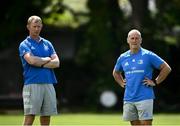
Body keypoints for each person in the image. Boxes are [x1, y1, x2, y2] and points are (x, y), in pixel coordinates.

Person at [112, 29, 171, 126]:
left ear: (140, 40)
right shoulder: (123, 57)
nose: (134, 40)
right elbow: (116, 72)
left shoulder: (148, 55)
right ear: (128, 40)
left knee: (146, 124)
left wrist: (155, 82)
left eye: (137, 38)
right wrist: (122, 83)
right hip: (129, 98)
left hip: (145, 96)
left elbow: (166, 68)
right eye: (132, 38)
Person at [19, 15, 60, 126]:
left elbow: (56, 63)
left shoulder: (47, 43)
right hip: (32, 84)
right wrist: (47, 59)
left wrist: (40, 63)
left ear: (41, 26)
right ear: (28, 27)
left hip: (48, 83)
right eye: (34, 26)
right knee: (29, 118)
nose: (37, 29)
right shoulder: (24, 44)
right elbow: (31, 61)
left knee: (46, 118)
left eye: (39, 26)